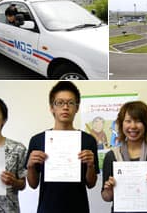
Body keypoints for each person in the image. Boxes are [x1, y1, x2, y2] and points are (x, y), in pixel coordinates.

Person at [25, 81, 99, 213]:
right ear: (52, 107)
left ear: (77, 108)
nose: (65, 107)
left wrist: (91, 165)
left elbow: (91, 184)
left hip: (79, 208)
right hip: (47, 208)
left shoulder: (88, 140)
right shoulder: (37, 140)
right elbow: (33, 184)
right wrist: (30, 165)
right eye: (59, 103)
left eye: (70, 103)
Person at [101, 101, 147, 213]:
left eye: (138, 121)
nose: (133, 126)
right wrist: (109, 191)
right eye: (128, 121)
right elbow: (105, 196)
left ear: (146, 124)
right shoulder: (111, 156)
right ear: (121, 123)